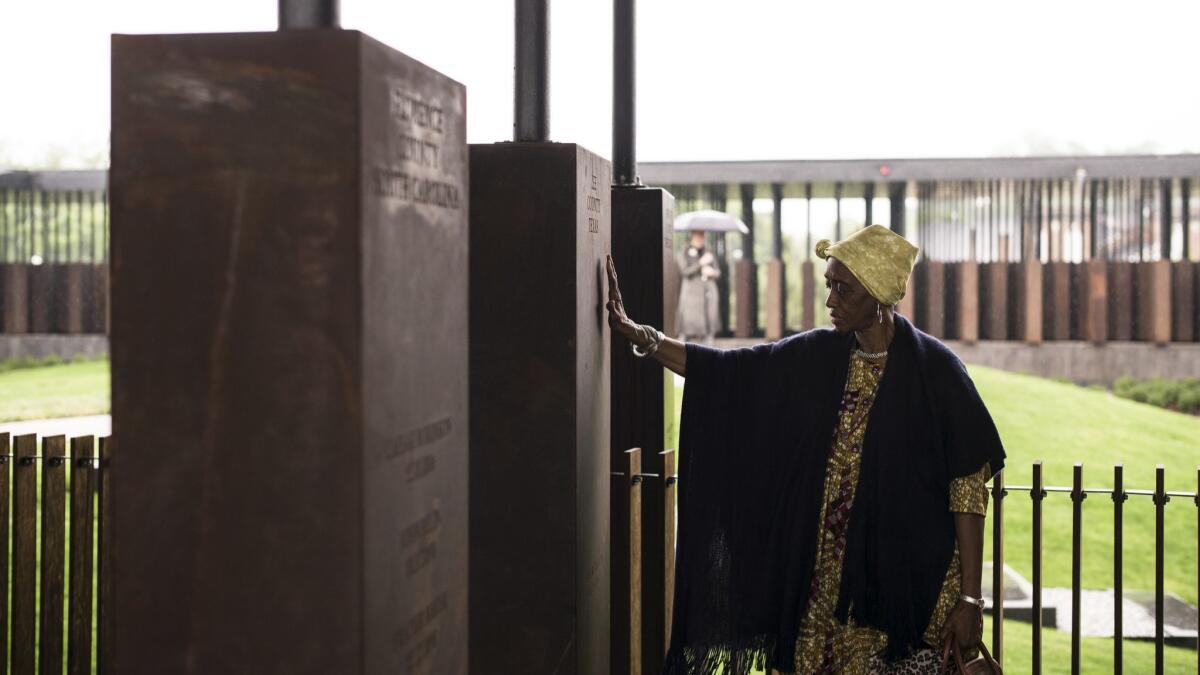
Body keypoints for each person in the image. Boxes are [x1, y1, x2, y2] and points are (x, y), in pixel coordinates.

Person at [606, 224, 1005, 675]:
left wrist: (971, 599)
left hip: (906, 599)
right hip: (820, 598)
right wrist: (645, 337)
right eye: (829, 286)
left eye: (844, 290)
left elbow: (969, 489)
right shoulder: (818, 357)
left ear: (877, 295)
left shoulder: (937, 375)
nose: (831, 300)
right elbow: (730, 373)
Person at [675, 230, 722, 344]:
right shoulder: (684, 252)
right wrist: (700, 263)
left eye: (703, 236)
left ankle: (708, 345)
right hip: (692, 294)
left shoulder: (708, 251)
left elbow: (718, 271)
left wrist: (712, 272)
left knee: (709, 320)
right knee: (688, 323)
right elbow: (685, 271)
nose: (701, 239)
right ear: (693, 236)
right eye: (699, 236)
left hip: (708, 291)